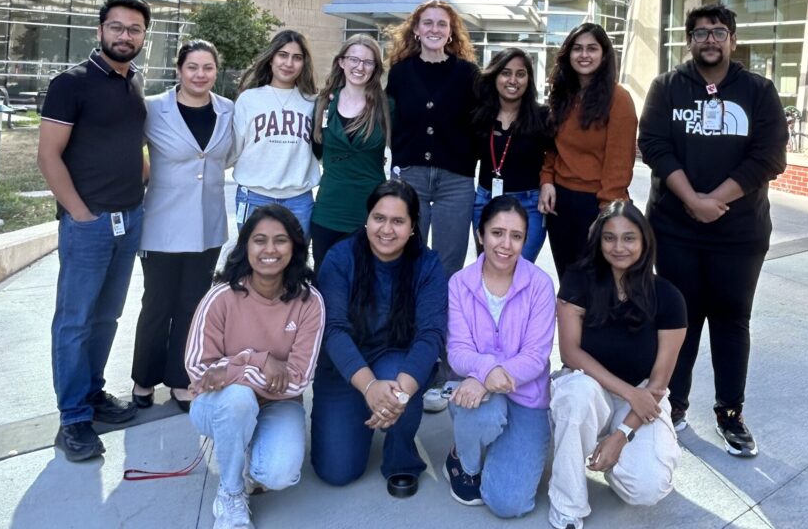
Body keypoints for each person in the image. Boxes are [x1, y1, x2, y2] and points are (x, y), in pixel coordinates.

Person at [637, 3, 787, 457]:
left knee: (730, 321)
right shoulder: (666, 86)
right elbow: (654, 146)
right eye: (700, 33)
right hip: (676, 229)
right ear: (689, 41)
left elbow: (769, 156)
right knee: (679, 320)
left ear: (733, 40)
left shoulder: (758, 90)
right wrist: (693, 201)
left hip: (739, 233)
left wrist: (715, 200)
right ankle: (672, 406)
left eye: (718, 32)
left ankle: (729, 413)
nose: (709, 40)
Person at [37, 0, 151, 462]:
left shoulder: (135, 83)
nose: (125, 36)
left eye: (135, 29)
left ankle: (94, 393)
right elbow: (47, 156)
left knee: (106, 319)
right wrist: (80, 214)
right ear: (100, 30)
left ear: (145, 36)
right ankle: (73, 419)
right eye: (117, 27)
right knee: (75, 321)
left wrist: (141, 176)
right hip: (89, 224)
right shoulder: (71, 83)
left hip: (130, 218)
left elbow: (133, 142)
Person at [548, 202, 687, 529]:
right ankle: (568, 505)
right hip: (587, 386)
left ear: (644, 242)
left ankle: (615, 450)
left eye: (629, 238)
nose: (618, 247)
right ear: (598, 241)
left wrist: (622, 435)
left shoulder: (668, 297)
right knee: (576, 395)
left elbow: (657, 383)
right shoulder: (578, 280)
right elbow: (570, 353)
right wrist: (626, 391)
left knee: (647, 488)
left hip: (639, 398)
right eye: (609, 238)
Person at [185, 204, 325, 529]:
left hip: (278, 403)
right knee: (237, 400)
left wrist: (232, 370)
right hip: (218, 404)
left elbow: (297, 380)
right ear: (245, 245)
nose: (270, 250)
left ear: (295, 247)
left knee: (278, 473)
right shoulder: (220, 297)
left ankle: (245, 452)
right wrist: (258, 360)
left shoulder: (309, 302)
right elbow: (199, 371)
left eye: (280, 241)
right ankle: (231, 493)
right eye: (259, 240)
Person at [310, 180, 447, 498]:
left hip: (395, 358)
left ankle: (401, 458)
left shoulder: (427, 265)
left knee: (403, 386)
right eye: (379, 218)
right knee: (337, 471)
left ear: (413, 227)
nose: (387, 229)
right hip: (344, 366)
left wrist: (396, 397)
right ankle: (363, 405)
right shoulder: (340, 258)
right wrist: (369, 387)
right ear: (367, 219)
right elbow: (333, 329)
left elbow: (431, 336)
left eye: (398, 221)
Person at [131, 40, 235, 412]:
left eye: (208, 68)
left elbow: (229, 156)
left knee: (192, 305)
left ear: (215, 72)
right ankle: (143, 378)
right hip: (162, 224)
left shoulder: (227, 110)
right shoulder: (154, 108)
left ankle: (180, 378)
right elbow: (130, 149)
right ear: (179, 70)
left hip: (207, 226)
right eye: (193, 67)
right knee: (158, 303)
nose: (200, 74)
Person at [445, 196, 555, 518]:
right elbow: (458, 351)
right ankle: (464, 460)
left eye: (516, 236)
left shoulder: (540, 285)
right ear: (480, 235)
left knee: (509, 503)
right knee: (484, 415)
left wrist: (487, 379)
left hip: (527, 398)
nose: (506, 244)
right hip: (478, 396)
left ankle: (502, 448)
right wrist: (485, 371)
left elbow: (536, 357)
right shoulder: (460, 284)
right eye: (497, 233)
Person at [385, 0, 479, 279]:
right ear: (416, 29)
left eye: (442, 24)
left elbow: (479, 122)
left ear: (451, 32)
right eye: (428, 22)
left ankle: (440, 322)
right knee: (406, 257)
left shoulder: (467, 73)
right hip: (411, 177)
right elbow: (390, 119)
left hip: (455, 181)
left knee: (449, 264)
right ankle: (406, 320)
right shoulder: (400, 72)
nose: (434, 29)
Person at [538, 23, 638, 281]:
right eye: (577, 48)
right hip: (560, 203)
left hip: (596, 203)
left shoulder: (618, 98)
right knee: (569, 282)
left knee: (599, 285)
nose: (584, 55)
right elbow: (551, 147)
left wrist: (607, 211)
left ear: (604, 55)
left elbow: (619, 162)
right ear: (568, 54)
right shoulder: (562, 94)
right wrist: (547, 181)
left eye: (592, 49)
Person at [310, 34, 390, 271]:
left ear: (375, 68)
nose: (359, 67)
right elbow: (315, 150)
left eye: (367, 62)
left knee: (367, 286)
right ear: (341, 62)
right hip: (328, 210)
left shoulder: (387, 106)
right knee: (325, 279)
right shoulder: (323, 103)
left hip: (370, 211)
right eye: (353, 59)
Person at [231, 29, 320, 238]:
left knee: (295, 266)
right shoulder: (248, 99)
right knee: (252, 264)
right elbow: (234, 149)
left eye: (297, 58)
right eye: (283, 55)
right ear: (271, 59)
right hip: (254, 197)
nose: (289, 63)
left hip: (299, 199)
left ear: (304, 63)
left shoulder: (313, 102)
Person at [471, 49, 551, 262]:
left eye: (520, 74)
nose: (513, 80)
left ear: (529, 79)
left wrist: (547, 183)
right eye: (506, 73)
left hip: (529, 206)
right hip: (486, 201)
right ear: (495, 76)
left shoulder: (543, 117)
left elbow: (555, 157)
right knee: (489, 271)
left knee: (519, 272)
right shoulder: (479, 115)